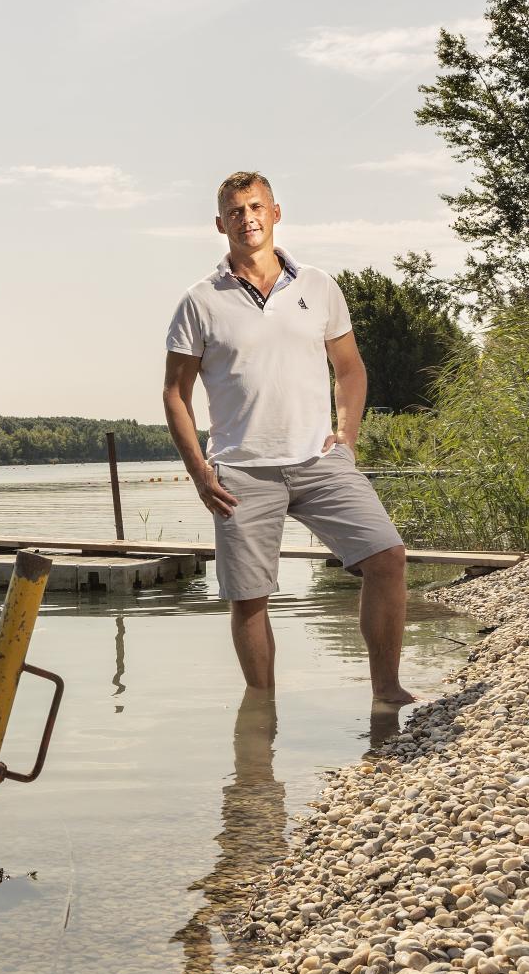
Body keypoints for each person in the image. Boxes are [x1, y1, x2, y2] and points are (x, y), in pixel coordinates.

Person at [162, 171, 413, 705]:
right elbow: (174, 394)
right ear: (219, 223)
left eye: (255, 207)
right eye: (235, 211)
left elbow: (349, 369)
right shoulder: (200, 301)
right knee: (250, 599)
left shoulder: (318, 287)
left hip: (320, 462)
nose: (246, 218)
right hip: (241, 470)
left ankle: (386, 691)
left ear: (275, 213)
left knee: (387, 558)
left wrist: (346, 435)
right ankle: (262, 721)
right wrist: (201, 474)